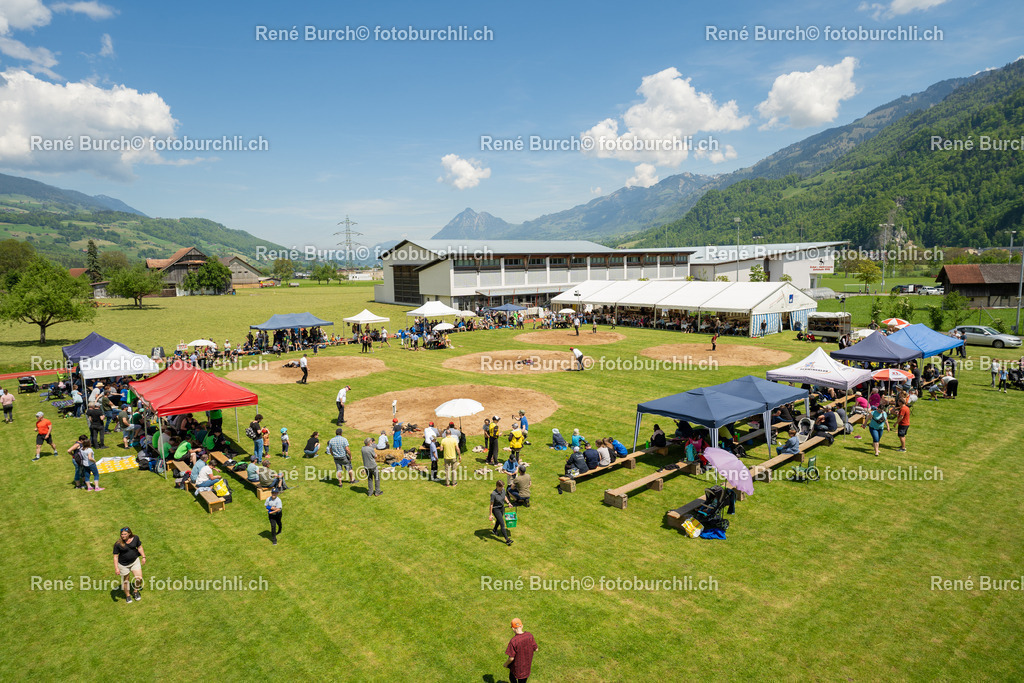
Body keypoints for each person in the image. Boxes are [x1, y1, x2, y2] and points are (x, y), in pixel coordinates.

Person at [113, 527, 145, 603]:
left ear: (129, 533)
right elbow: (115, 556)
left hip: (135, 561)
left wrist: (143, 556)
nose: (123, 536)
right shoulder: (118, 544)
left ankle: (135, 591)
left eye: (125, 534)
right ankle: (128, 596)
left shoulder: (135, 538)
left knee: (139, 578)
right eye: (122, 534)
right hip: (123, 565)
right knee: (126, 581)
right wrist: (116, 568)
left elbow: (139, 547)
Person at [504, 617, 538, 683]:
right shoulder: (529, 636)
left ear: (513, 628)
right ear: (522, 626)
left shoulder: (513, 641)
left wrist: (505, 664)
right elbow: (536, 649)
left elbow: (511, 658)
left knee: (512, 678)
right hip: (526, 667)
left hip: (517, 668)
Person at [488, 481, 514, 546]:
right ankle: (507, 540)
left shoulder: (503, 490)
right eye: (501, 487)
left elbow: (504, 496)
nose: (502, 488)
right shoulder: (493, 494)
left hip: (502, 508)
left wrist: (508, 503)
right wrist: (490, 514)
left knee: (499, 521)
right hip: (496, 509)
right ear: (497, 486)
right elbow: (491, 505)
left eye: (503, 487)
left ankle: (494, 530)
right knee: (502, 524)